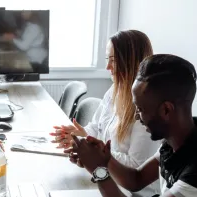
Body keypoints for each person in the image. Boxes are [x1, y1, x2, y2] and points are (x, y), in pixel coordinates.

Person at [67, 54, 197, 197]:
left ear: (166, 110)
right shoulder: (175, 141)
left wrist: (99, 170)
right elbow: (136, 179)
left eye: (140, 109)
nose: (136, 116)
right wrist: (103, 157)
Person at [50, 30, 161, 197]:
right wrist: (81, 136)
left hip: (131, 192)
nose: (108, 67)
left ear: (131, 62)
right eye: (107, 59)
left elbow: (136, 168)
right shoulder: (114, 90)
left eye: (113, 61)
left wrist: (96, 154)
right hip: (107, 178)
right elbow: (96, 126)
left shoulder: (145, 110)